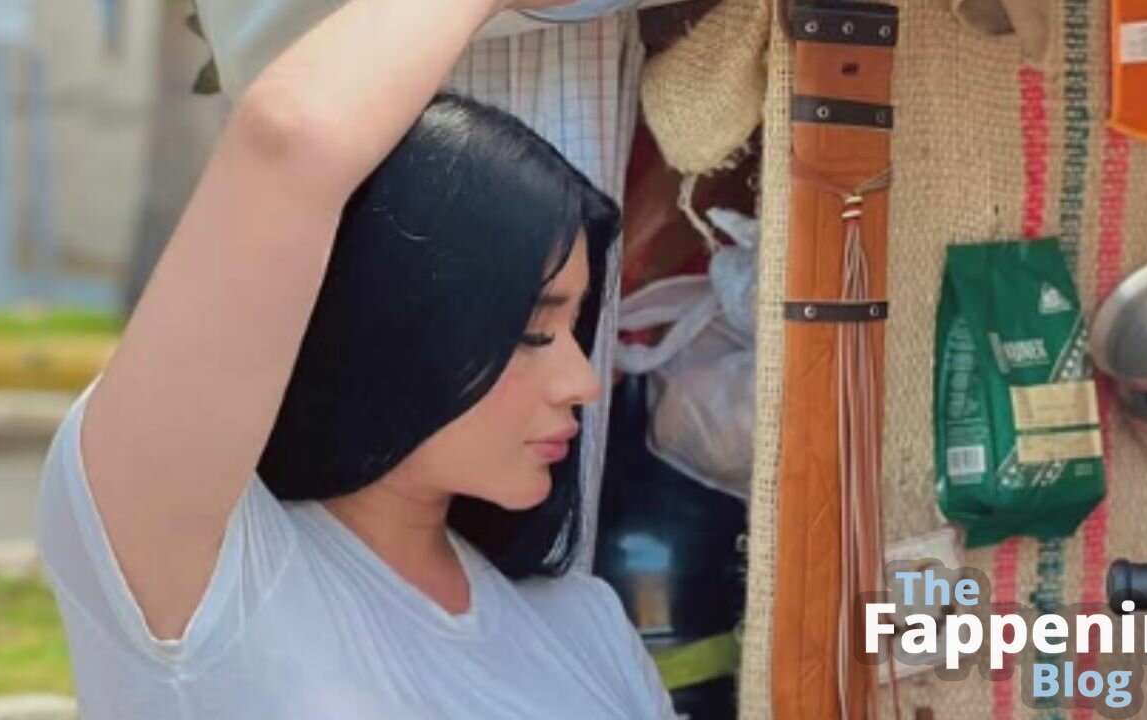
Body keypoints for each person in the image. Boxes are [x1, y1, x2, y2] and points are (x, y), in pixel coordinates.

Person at [33, 0, 676, 717]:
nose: (583, 382)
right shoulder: (200, 578)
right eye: (531, 332)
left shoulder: (583, 624)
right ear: (389, 314)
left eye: (575, 327)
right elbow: (288, 140)